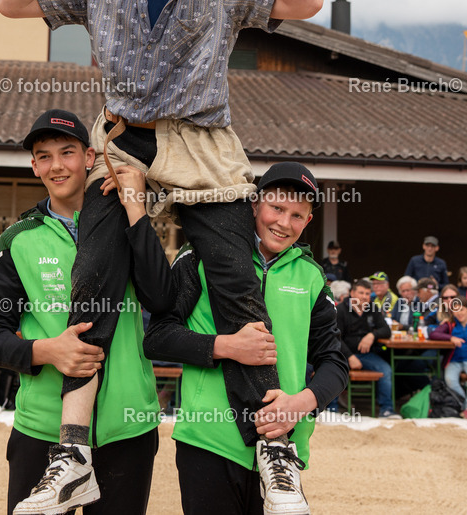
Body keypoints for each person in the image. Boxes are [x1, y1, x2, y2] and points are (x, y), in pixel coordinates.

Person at [0, 0, 322, 510]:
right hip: (124, 137)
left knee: (234, 281)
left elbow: (304, 0)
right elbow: (11, 0)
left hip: (201, 140)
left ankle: (274, 449)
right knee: (92, 274)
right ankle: (73, 450)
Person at [0, 110, 166, 515]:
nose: (57, 165)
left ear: (90, 157)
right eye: (44, 156)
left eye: (67, 152)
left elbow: (161, 299)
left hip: (127, 427)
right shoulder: (18, 240)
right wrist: (47, 351)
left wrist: (136, 211)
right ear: (34, 167)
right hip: (42, 430)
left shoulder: (123, 222)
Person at [145, 162, 348, 515]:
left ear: (309, 221)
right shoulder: (200, 258)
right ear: (254, 204)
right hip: (209, 442)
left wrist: (300, 404)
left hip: (283, 449)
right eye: (277, 208)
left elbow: (335, 363)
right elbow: (158, 338)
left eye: (297, 215)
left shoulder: (313, 276)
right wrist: (225, 346)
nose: (284, 223)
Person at [337, 279, 396, 417]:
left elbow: (386, 330)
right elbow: (335, 338)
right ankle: (331, 410)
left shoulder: (372, 308)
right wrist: (350, 357)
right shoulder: (340, 310)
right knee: (333, 370)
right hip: (342, 354)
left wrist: (372, 335)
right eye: (361, 292)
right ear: (352, 293)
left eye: (367, 293)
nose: (364, 296)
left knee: (386, 370)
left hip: (366, 355)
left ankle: (387, 410)